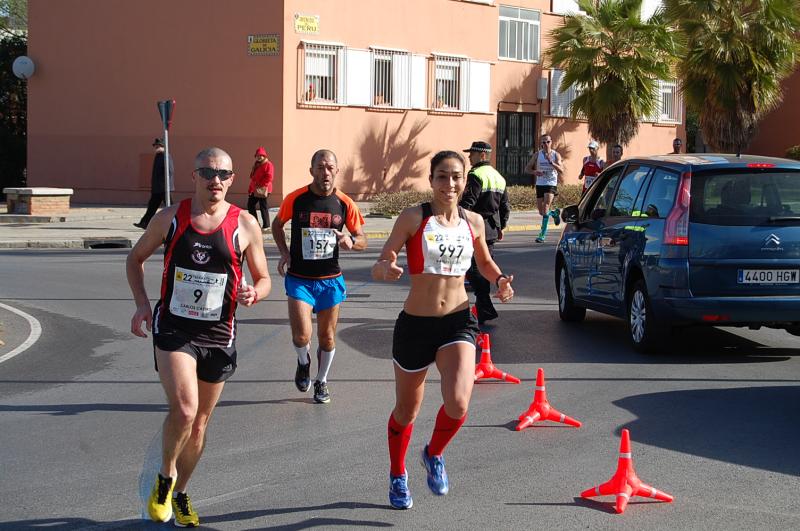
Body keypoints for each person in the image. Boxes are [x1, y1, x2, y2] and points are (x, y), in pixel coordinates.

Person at [126, 147, 271, 527]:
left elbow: (265, 278)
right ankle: (165, 477)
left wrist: (256, 292)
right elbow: (134, 258)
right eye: (207, 173)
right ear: (193, 176)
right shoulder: (171, 219)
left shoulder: (245, 225)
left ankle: (182, 491)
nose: (215, 180)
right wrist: (142, 304)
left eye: (223, 174)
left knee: (201, 423)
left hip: (219, 333)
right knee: (186, 409)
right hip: (175, 329)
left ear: (233, 180)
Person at [372, 150, 514, 510]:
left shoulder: (473, 222)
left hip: (458, 320)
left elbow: (482, 261)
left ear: (465, 180)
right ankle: (398, 473)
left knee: (459, 401)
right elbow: (384, 258)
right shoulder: (413, 218)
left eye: (456, 177)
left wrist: (498, 280)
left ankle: (433, 453)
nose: (449, 184)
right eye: (441, 176)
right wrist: (386, 267)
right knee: (407, 410)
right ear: (431, 180)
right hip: (415, 325)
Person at [271, 149, 366, 404]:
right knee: (302, 336)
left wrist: (350, 241)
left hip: (330, 279)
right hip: (300, 278)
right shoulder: (297, 198)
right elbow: (277, 224)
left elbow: (362, 240)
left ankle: (321, 381)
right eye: (320, 167)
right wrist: (283, 253)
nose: (325, 172)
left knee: (327, 337)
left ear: (336, 171)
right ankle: (303, 362)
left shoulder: (345, 203)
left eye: (330, 167)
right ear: (311, 170)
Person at [459, 141, 510, 325]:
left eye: (471, 153)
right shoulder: (499, 177)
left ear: (482, 155)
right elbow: (505, 207)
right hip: (491, 227)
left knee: (475, 269)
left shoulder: (476, 174)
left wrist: (457, 220)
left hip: (475, 226)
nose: (469, 157)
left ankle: (485, 307)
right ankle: (483, 309)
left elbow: (468, 202)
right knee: (484, 265)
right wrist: (501, 227)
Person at [524, 134, 565, 243]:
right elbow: (527, 168)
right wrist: (534, 172)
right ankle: (555, 213)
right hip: (540, 183)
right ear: (541, 144)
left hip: (551, 183)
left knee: (546, 206)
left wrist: (551, 162)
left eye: (547, 142)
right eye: (543, 142)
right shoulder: (537, 155)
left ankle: (542, 235)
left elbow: (561, 170)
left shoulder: (556, 155)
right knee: (542, 212)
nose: (545, 144)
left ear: (551, 142)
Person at [135, 138, 175, 229]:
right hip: (157, 188)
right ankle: (144, 223)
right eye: (155, 146)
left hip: (164, 188)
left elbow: (170, 171)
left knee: (171, 208)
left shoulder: (166, 156)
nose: (156, 148)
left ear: (163, 147)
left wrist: (165, 183)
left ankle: (177, 222)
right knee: (152, 207)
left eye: (158, 146)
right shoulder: (158, 156)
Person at [247, 146, 274, 230]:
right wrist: (250, 189)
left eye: (260, 155)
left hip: (264, 189)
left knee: (263, 206)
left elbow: (269, 177)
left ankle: (266, 225)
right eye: (257, 156)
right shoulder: (256, 165)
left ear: (264, 156)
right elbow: (253, 178)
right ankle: (255, 223)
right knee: (250, 204)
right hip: (256, 189)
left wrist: (261, 185)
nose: (259, 157)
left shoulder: (268, 164)